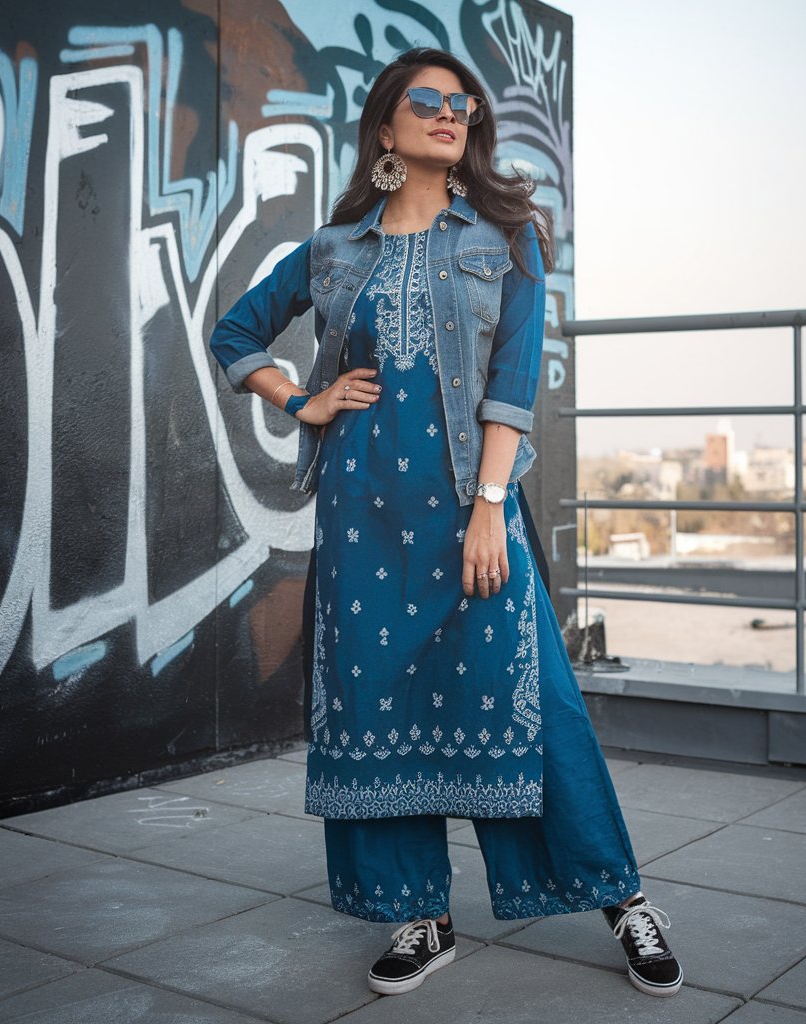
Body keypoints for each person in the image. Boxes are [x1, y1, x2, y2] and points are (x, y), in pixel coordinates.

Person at [209, 46, 682, 999]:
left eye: (462, 104)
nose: (449, 113)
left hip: (470, 510)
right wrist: (301, 399)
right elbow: (234, 332)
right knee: (376, 703)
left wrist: (490, 510)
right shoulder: (335, 249)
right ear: (386, 126)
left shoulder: (508, 238)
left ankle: (619, 894)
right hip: (362, 520)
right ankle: (418, 912)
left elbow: (512, 387)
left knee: (538, 704)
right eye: (426, 100)